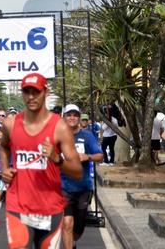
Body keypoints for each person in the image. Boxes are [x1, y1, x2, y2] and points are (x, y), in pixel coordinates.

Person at [0, 73, 82, 249]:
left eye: (35, 92)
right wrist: (5, 168)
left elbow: (77, 171)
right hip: (18, 204)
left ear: (46, 92)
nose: (30, 97)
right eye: (26, 92)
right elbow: (4, 146)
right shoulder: (11, 124)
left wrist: (57, 159)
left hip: (50, 207)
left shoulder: (60, 128)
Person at [60, 104, 103, 249]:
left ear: (79, 118)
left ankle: (71, 242)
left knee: (78, 227)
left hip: (84, 187)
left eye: (75, 115)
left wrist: (87, 156)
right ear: (64, 117)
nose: (72, 118)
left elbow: (100, 156)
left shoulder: (87, 136)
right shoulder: (58, 136)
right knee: (67, 223)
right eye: (69, 115)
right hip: (63, 187)